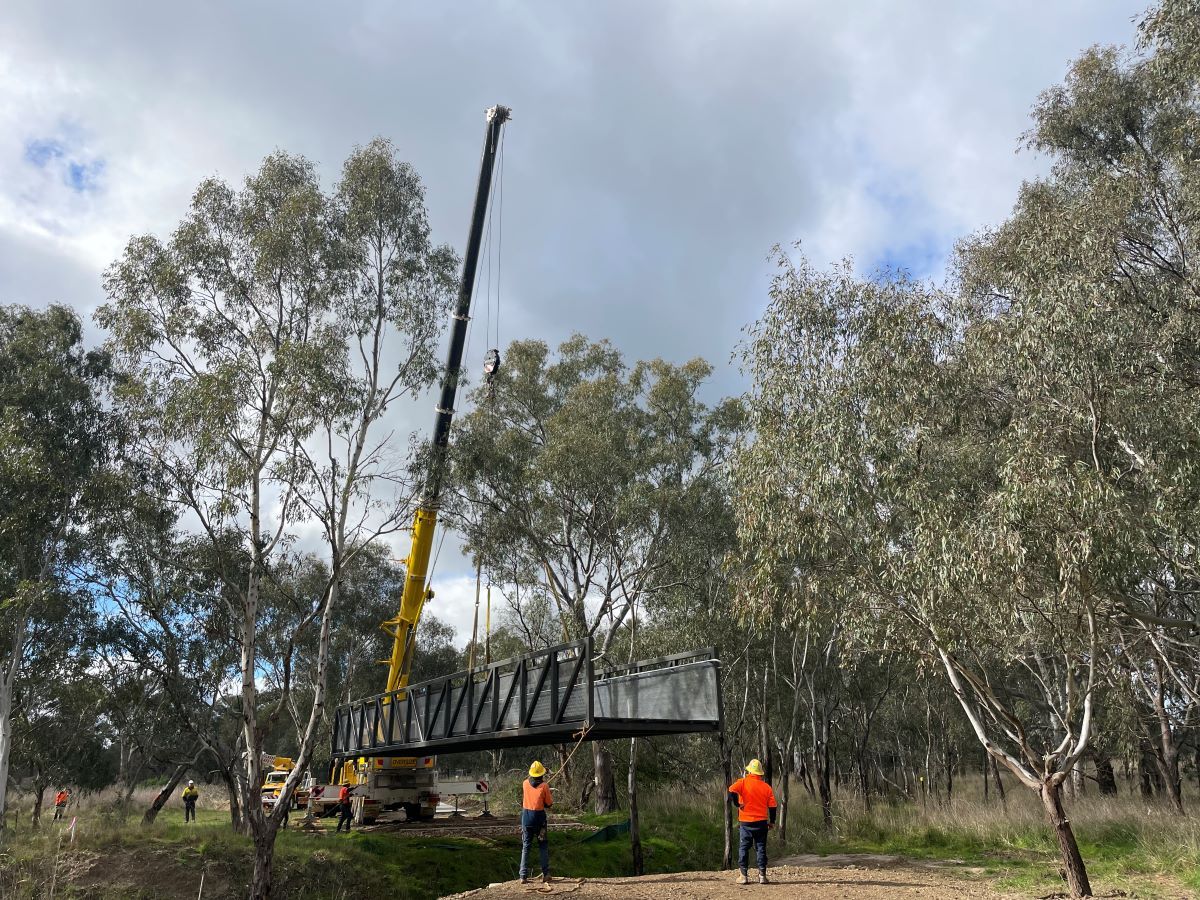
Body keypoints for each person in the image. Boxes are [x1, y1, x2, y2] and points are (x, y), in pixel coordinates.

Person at [727, 759, 778, 885]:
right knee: (761, 848)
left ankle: (743, 876)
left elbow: (731, 790)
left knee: (744, 847)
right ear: (760, 773)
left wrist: (737, 804)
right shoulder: (766, 787)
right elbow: (772, 806)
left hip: (746, 823)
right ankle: (762, 876)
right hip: (761, 823)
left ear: (749, 771)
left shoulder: (742, 783)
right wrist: (772, 822)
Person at [519, 760, 553, 885]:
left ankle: (523, 876)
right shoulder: (544, 786)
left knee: (526, 846)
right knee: (543, 846)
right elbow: (549, 804)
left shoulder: (524, 784)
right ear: (542, 774)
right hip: (539, 819)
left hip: (526, 818)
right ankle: (546, 874)